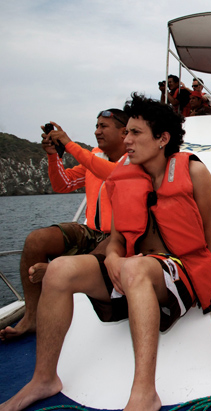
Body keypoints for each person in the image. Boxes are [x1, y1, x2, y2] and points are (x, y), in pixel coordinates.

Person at [0, 94, 211, 411]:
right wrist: (113, 257)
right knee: (59, 270)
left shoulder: (194, 172)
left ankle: (144, 393)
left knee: (134, 269)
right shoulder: (123, 177)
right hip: (129, 266)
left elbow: (207, 240)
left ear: (162, 139)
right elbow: (116, 238)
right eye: (126, 132)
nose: (126, 140)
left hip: (178, 269)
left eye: (135, 133)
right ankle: (44, 378)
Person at [0, 109, 127, 342]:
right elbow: (63, 184)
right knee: (36, 240)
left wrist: (69, 144)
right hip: (93, 231)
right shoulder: (94, 157)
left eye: (103, 126)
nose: (97, 131)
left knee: (108, 245)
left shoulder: (132, 159)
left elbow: (112, 174)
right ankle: (32, 316)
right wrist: (53, 156)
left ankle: (56, 271)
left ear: (124, 132)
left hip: (121, 235)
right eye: (96, 126)